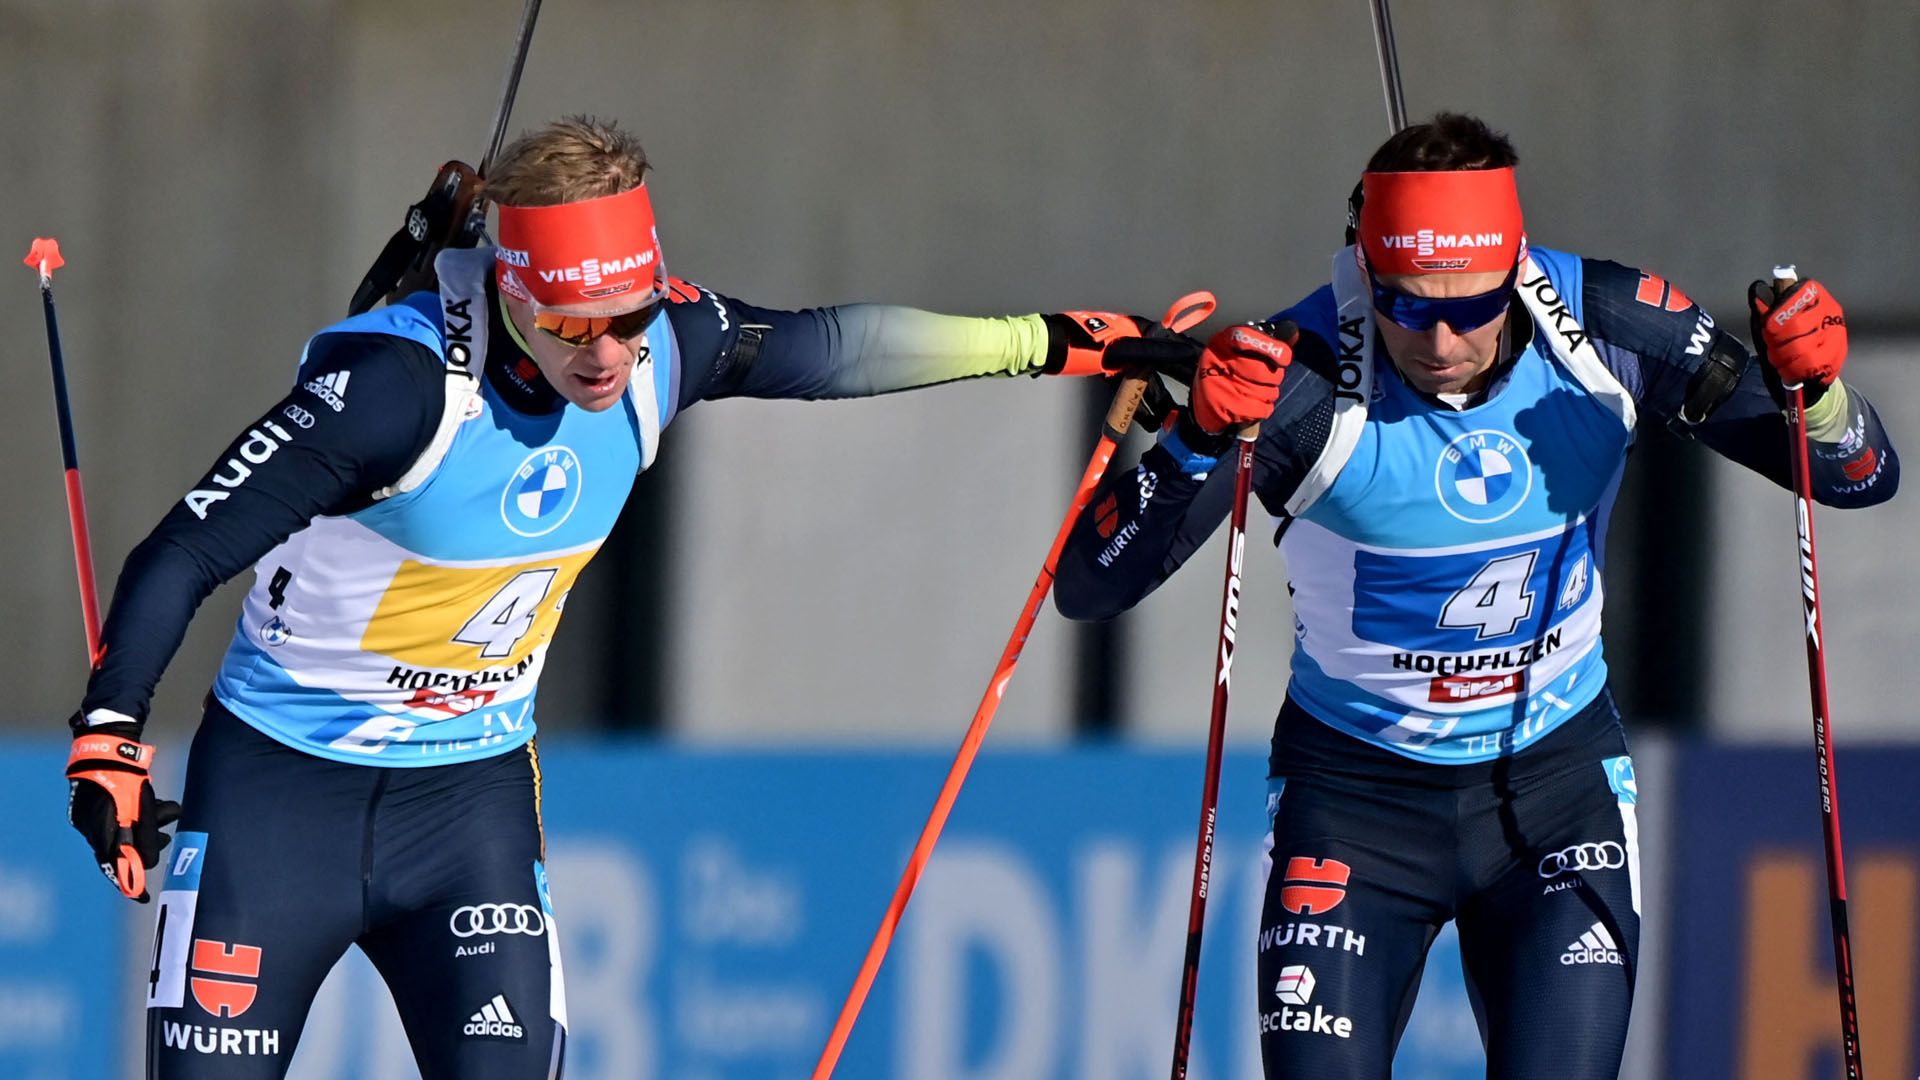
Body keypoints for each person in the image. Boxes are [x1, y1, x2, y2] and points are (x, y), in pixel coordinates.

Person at [61, 115, 1197, 1079]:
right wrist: (109, 733)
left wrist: (1054, 342)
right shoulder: (396, 391)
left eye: (628, 317)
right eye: (567, 326)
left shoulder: (669, 345)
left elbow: (837, 349)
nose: (604, 357)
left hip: (465, 807)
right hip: (280, 797)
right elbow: (183, 549)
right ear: (510, 291)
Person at [1053, 112, 1898, 1077]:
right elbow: (1091, 586)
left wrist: (1818, 392)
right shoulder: (1300, 376)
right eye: (1408, 308)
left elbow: (1857, 474)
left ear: (1515, 266)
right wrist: (1200, 434)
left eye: (1474, 304)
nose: (1444, 338)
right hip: (1356, 804)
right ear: (1365, 275)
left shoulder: (1612, 328)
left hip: (1555, 795)